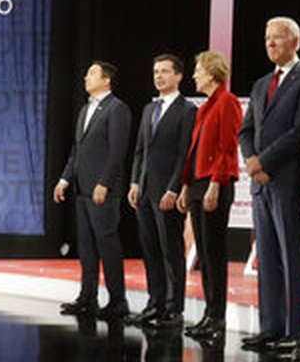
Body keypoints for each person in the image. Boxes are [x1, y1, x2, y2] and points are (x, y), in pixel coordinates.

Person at [238, 17, 300, 355]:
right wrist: (252, 162)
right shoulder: (260, 84)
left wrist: (264, 162)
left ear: (294, 42)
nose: (270, 43)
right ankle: (270, 327)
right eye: (267, 38)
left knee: (291, 257)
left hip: (287, 180)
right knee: (267, 258)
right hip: (260, 184)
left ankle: (295, 332)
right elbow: (245, 131)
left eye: (278, 38)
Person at [55, 61, 133, 320]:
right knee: (87, 247)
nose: (85, 78)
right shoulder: (85, 110)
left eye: (91, 74)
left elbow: (117, 151)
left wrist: (105, 183)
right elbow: (77, 151)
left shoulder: (117, 109)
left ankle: (118, 301)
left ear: (106, 79)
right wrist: (65, 179)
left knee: (107, 245)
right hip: (82, 189)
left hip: (102, 191)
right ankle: (87, 297)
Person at [127, 54, 197, 329]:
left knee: (171, 250)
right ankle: (154, 303)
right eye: (156, 71)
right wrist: (135, 182)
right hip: (144, 190)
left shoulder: (187, 109)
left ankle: (173, 309)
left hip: (167, 192)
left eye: (165, 71)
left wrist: (174, 187)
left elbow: (184, 154)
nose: (159, 76)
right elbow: (140, 150)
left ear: (179, 76)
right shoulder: (149, 109)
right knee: (151, 249)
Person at [178, 50, 243, 343]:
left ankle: (218, 317)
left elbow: (228, 147)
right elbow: (193, 153)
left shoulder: (227, 103)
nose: (194, 75)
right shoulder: (205, 107)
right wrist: (185, 186)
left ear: (212, 72)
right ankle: (209, 313)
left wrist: (216, 184)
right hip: (197, 184)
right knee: (204, 254)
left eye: (198, 70)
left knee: (214, 254)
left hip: (215, 184)